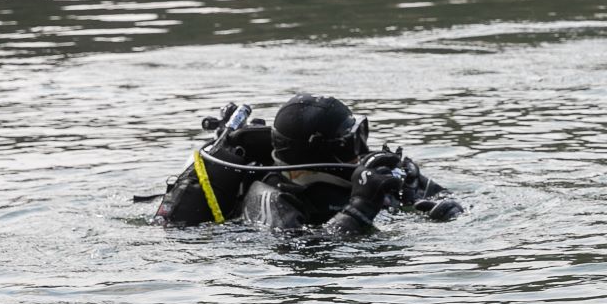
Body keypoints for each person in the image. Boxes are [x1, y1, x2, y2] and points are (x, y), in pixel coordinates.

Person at [154, 95, 462, 233]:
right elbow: (303, 257)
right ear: (321, 152)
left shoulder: (349, 176)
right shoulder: (271, 199)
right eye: (353, 140)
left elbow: (450, 203)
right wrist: (360, 209)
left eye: (361, 134)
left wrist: (417, 189)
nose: (362, 150)